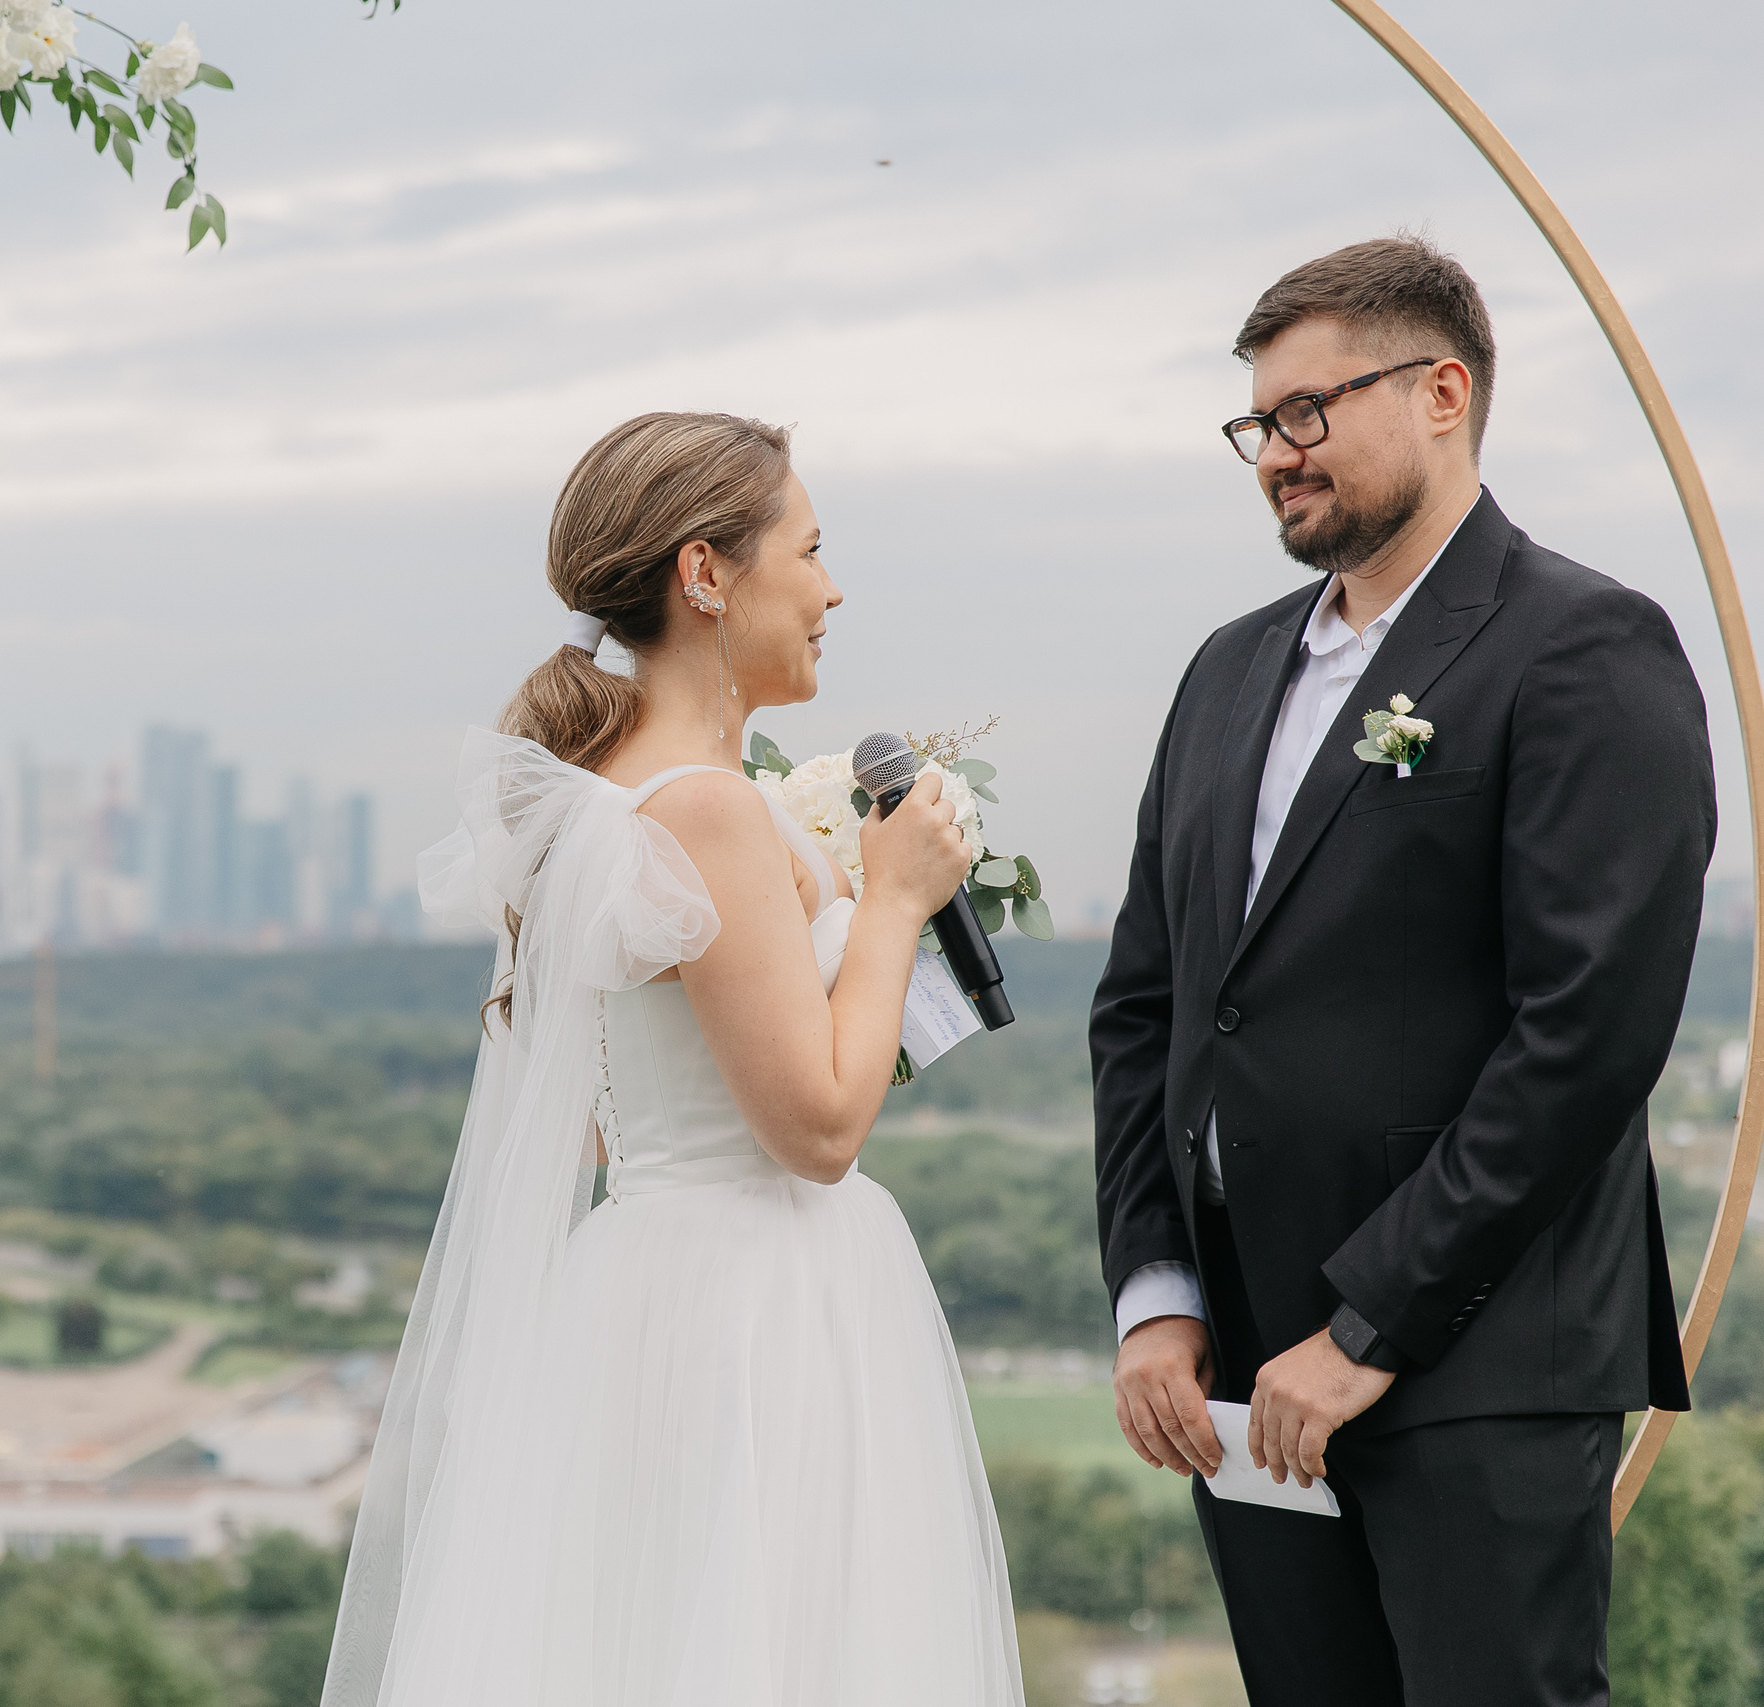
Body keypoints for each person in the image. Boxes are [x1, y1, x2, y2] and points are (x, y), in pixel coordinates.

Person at [1092, 235, 1715, 1706]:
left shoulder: (1586, 648)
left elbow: (1587, 1033)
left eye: (1308, 411)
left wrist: (1367, 1325)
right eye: (1258, 425)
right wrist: (1159, 1291)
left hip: (1477, 1365)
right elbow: (1148, 1009)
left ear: (1444, 391)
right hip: (1240, 1382)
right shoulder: (1224, 669)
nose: (1275, 456)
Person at [322, 413, 1024, 1706]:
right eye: (808, 552)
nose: (832, 588)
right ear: (706, 574)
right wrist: (890, 903)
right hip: (753, 1306)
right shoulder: (699, 807)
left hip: (649, 1286)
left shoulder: (622, 793)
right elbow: (815, 1130)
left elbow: (597, 1122)